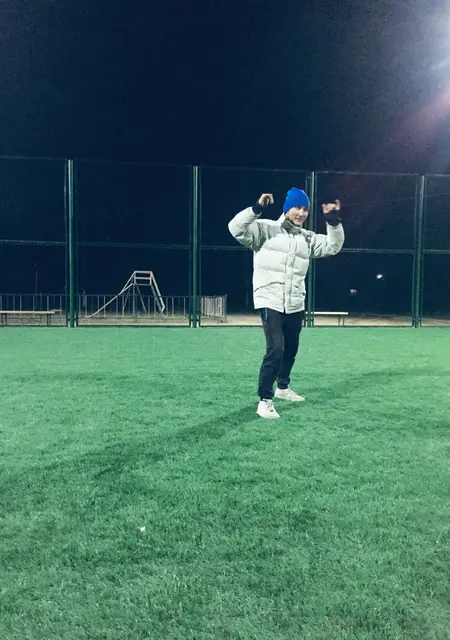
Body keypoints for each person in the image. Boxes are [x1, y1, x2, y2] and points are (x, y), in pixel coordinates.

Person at [228, 187, 344, 419]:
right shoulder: (265, 229)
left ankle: (283, 387)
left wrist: (333, 221)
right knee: (276, 348)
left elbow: (333, 246)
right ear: (287, 208)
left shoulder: (307, 238)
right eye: (297, 208)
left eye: (305, 209)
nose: (301, 213)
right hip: (269, 298)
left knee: (291, 348)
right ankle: (265, 400)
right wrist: (256, 209)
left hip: (295, 302)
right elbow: (235, 228)